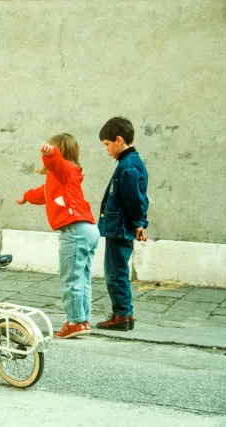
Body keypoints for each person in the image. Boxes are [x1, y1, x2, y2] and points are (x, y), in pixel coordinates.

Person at [16, 133, 99, 339]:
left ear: (61, 152)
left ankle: (75, 321)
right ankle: (82, 319)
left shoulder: (66, 170)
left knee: (70, 279)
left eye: (53, 150)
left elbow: (58, 165)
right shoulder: (61, 178)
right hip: (87, 229)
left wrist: (51, 155)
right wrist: (27, 197)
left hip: (74, 230)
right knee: (82, 279)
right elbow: (43, 192)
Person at [96, 116, 149, 331]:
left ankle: (121, 315)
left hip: (120, 228)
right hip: (121, 226)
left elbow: (134, 198)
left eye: (107, 145)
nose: (106, 149)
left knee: (115, 271)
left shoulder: (128, 166)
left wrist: (139, 222)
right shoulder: (130, 163)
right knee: (117, 270)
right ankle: (124, 314)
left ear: (119, 140)